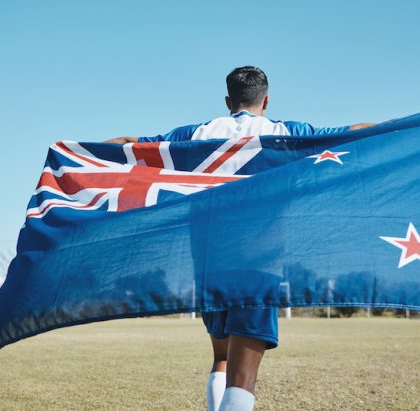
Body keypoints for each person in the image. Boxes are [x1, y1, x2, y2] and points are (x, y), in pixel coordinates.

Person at [106, 66, 374, 411]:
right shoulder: (288, 133)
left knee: (220, 358)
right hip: (259, 261)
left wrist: (72, 151)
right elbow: (359, 131)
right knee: (243, 377)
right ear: (267, 100)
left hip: (208, 260)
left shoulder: (195, 133)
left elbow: (128, 145)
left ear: (228, 100)